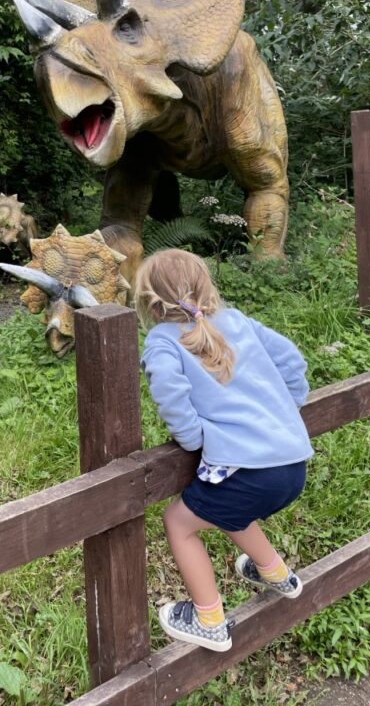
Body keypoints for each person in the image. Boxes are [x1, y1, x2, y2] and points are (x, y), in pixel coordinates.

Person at [134, 249, 313, 652]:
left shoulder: (162, 340)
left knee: (180, 522)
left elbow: (169, 391)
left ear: (150, 302)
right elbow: (291, 361)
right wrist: (286, 407)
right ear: (205, 285)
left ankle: (209, 619)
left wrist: (193, 439)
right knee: (225, 504)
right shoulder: (237, 321)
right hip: (291, 465)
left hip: (247, 470)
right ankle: (276, 573)